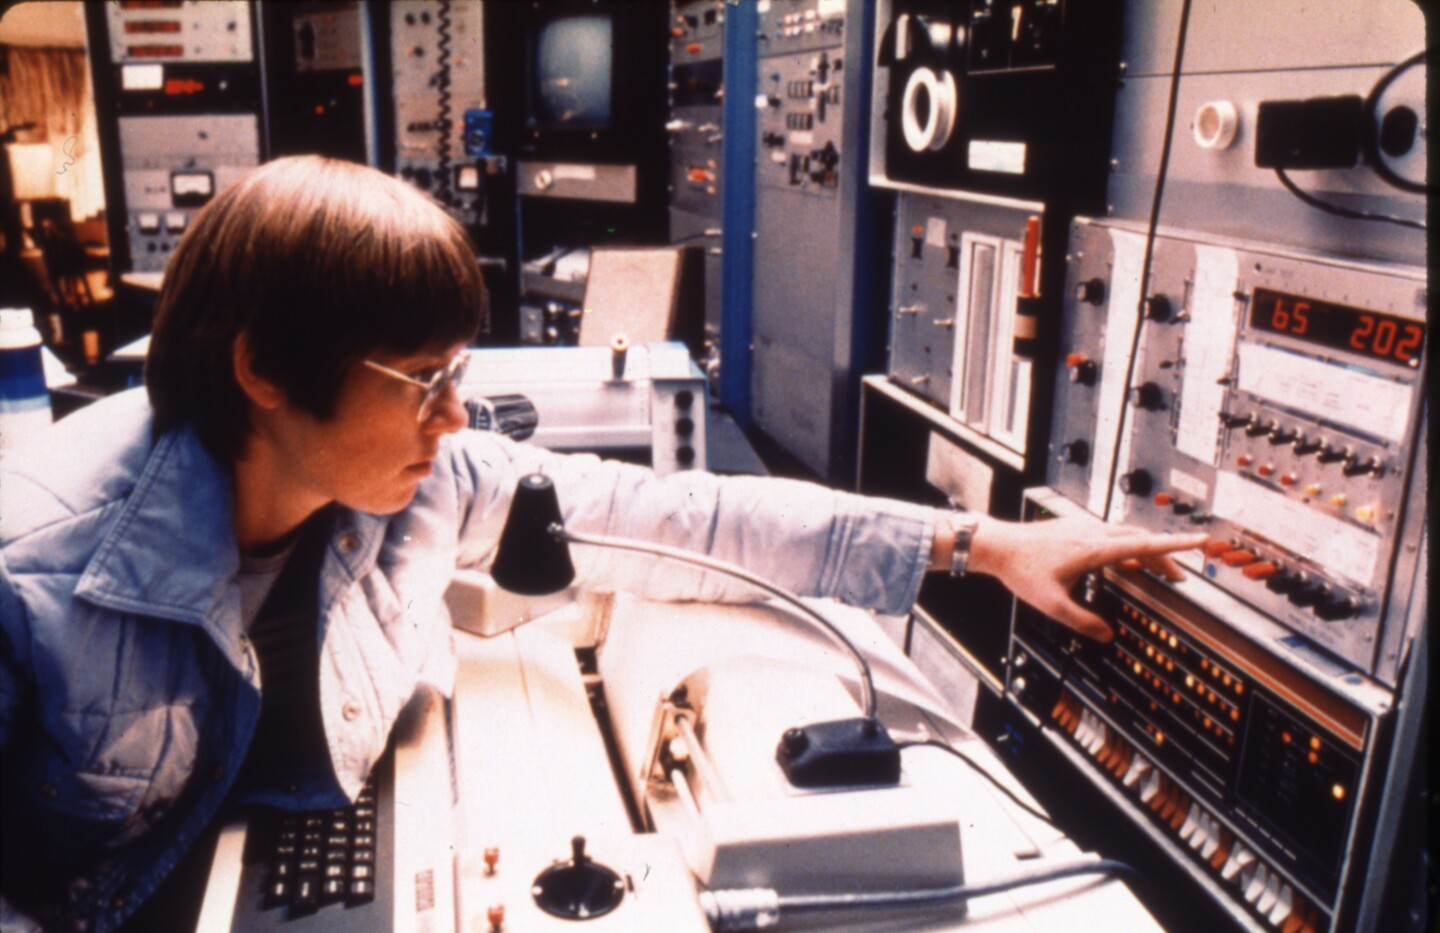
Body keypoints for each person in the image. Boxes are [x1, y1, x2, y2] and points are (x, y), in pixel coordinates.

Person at [0, 156, 1203, 932]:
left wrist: (978, 545)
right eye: (420, 380)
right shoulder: (31, 576)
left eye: (457, 375)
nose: (457, 417)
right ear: (262, 369)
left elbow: (690, 516)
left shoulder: (418, 483)